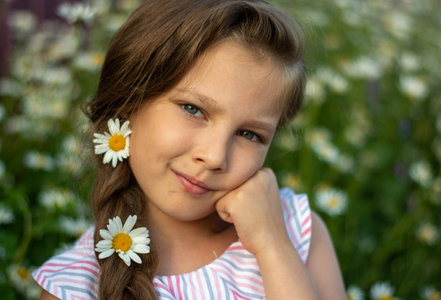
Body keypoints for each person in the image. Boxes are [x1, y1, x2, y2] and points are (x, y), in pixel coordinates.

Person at [33, 0, 347, 299]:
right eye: (193, 109)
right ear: (128, 102)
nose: (214, 157)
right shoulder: (75, 288)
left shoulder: (296, 231)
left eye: (249, 134)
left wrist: (273, 246)